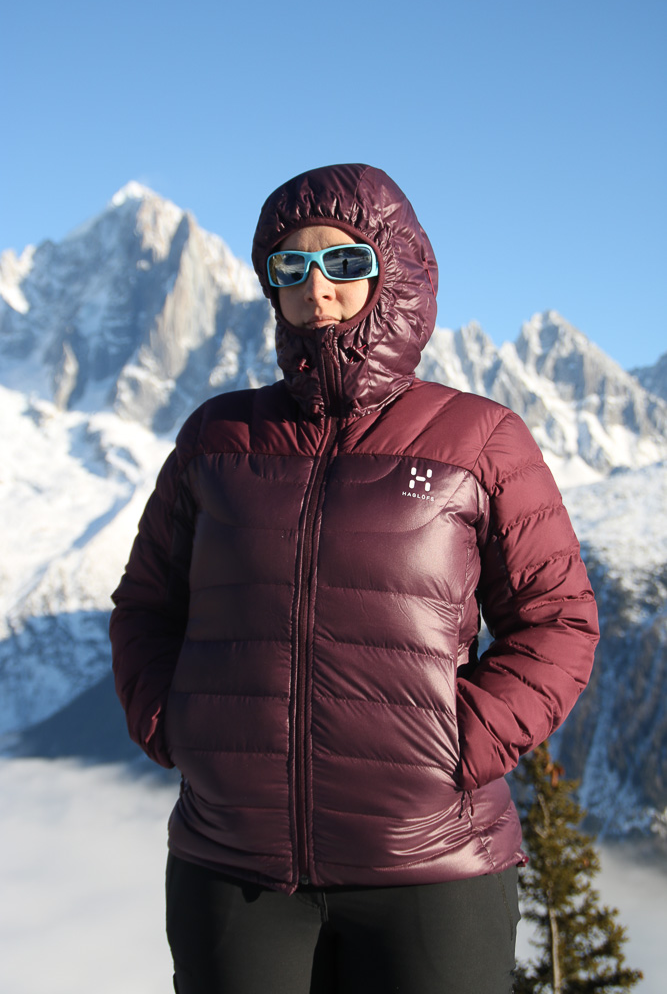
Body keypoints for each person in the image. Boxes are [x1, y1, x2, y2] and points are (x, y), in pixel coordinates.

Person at [110, 163, 599, 994]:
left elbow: (557, 621)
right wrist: (173, 724)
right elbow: (147, 606)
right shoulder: (217, 438)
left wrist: (458, 744)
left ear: (394, 271)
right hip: (233, 866)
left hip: (432, 868)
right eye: (290, 266)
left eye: (344, 262)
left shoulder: (479, 438)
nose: (317, 289)